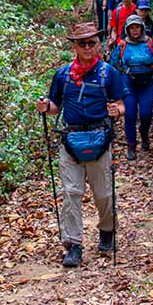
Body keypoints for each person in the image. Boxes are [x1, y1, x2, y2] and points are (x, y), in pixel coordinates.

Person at [36, 22, 128, 268]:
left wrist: (116, 111)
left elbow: (121, 105)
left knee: (103, 194)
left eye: (91, 42)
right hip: (71, 140)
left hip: (100, 138)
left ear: (98, 44)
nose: (87, 47)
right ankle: (73, 245)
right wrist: (46, 107)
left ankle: (107, 230)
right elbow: (56, 106)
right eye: (82, 43)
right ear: (74, 46)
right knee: (71, 193)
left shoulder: (109, 73)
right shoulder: (63, 74)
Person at [110, 16, 153, 159]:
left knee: (146, 114)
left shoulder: (150, 43)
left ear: (141, 28)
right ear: (127, 29)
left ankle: (144, 133)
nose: (135, 30)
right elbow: (113, 65)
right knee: (130, 115)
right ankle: (131, 145)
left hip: (146, 83)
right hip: (128, 83)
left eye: (137, 27)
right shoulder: (122, 45)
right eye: (132, 27)